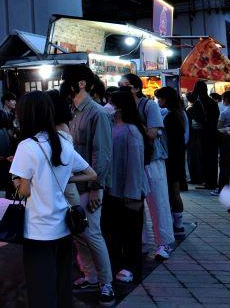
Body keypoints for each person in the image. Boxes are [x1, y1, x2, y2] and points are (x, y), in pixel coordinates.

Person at [9, 91, 97, 308]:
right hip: (63, 229)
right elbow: (92, 174)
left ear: (26, 115)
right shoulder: (63, 143)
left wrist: (16, 179)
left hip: (38, 231)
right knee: (62, 287)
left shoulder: (27, 146)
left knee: (41, 292)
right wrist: (66, 178)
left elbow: (24, 192)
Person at [60, 65, 115, 306]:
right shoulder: (71, 110)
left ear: (81, 83)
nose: (62, 84)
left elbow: (101, 154)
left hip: (88, 185)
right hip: (73, 185)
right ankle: (90, 275)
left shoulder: (97, 113)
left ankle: (106, 283)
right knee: (79, 234)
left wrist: (96, 186)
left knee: (92, 234)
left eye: (65, 80)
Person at [119, 74, 174, 261]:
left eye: (124, 86)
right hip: (132, 161)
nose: (121, 89)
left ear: (135, 88)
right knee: (134, 202)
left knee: (158, 201)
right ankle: (140, 242)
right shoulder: (120, 108)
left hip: (152, 159)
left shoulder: (149, 105)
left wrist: (134, 122)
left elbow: (153, 133)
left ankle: (163, 243)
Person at [102, 90, 149, 284]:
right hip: (112, 189)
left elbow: (135, 165)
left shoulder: (131, 130)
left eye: (111, 103)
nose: (108, 106)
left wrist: (132, 192)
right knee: (114, 231)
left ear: (120, 106)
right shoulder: (112, 126)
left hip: (128, 191)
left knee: (131, 232)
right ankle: (118, 264)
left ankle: (130, 267)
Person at [155, 86, 187, 235]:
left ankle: (178, 224)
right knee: (174, 191)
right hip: (177, 157)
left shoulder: (171, 116)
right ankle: (178, 223)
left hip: (171, 159)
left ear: (166, 99)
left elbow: (168, 139)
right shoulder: (179, 114)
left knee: (172, 191)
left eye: (160, 98)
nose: (158, 101)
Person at [189, 81, 220, 190]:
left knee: (204, 157)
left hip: (203, 133)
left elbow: (197, 118)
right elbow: (216, 116)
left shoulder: (199, 102)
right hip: (213, 133)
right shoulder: (212, 102)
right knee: (212, 158)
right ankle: (212, 181)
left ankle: (207, 181)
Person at [216, 91, 230, 192]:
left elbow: (219, 127)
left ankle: (222, 187)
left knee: (224, 164)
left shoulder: (224, 112)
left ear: (226, 99)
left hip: (225, 139)